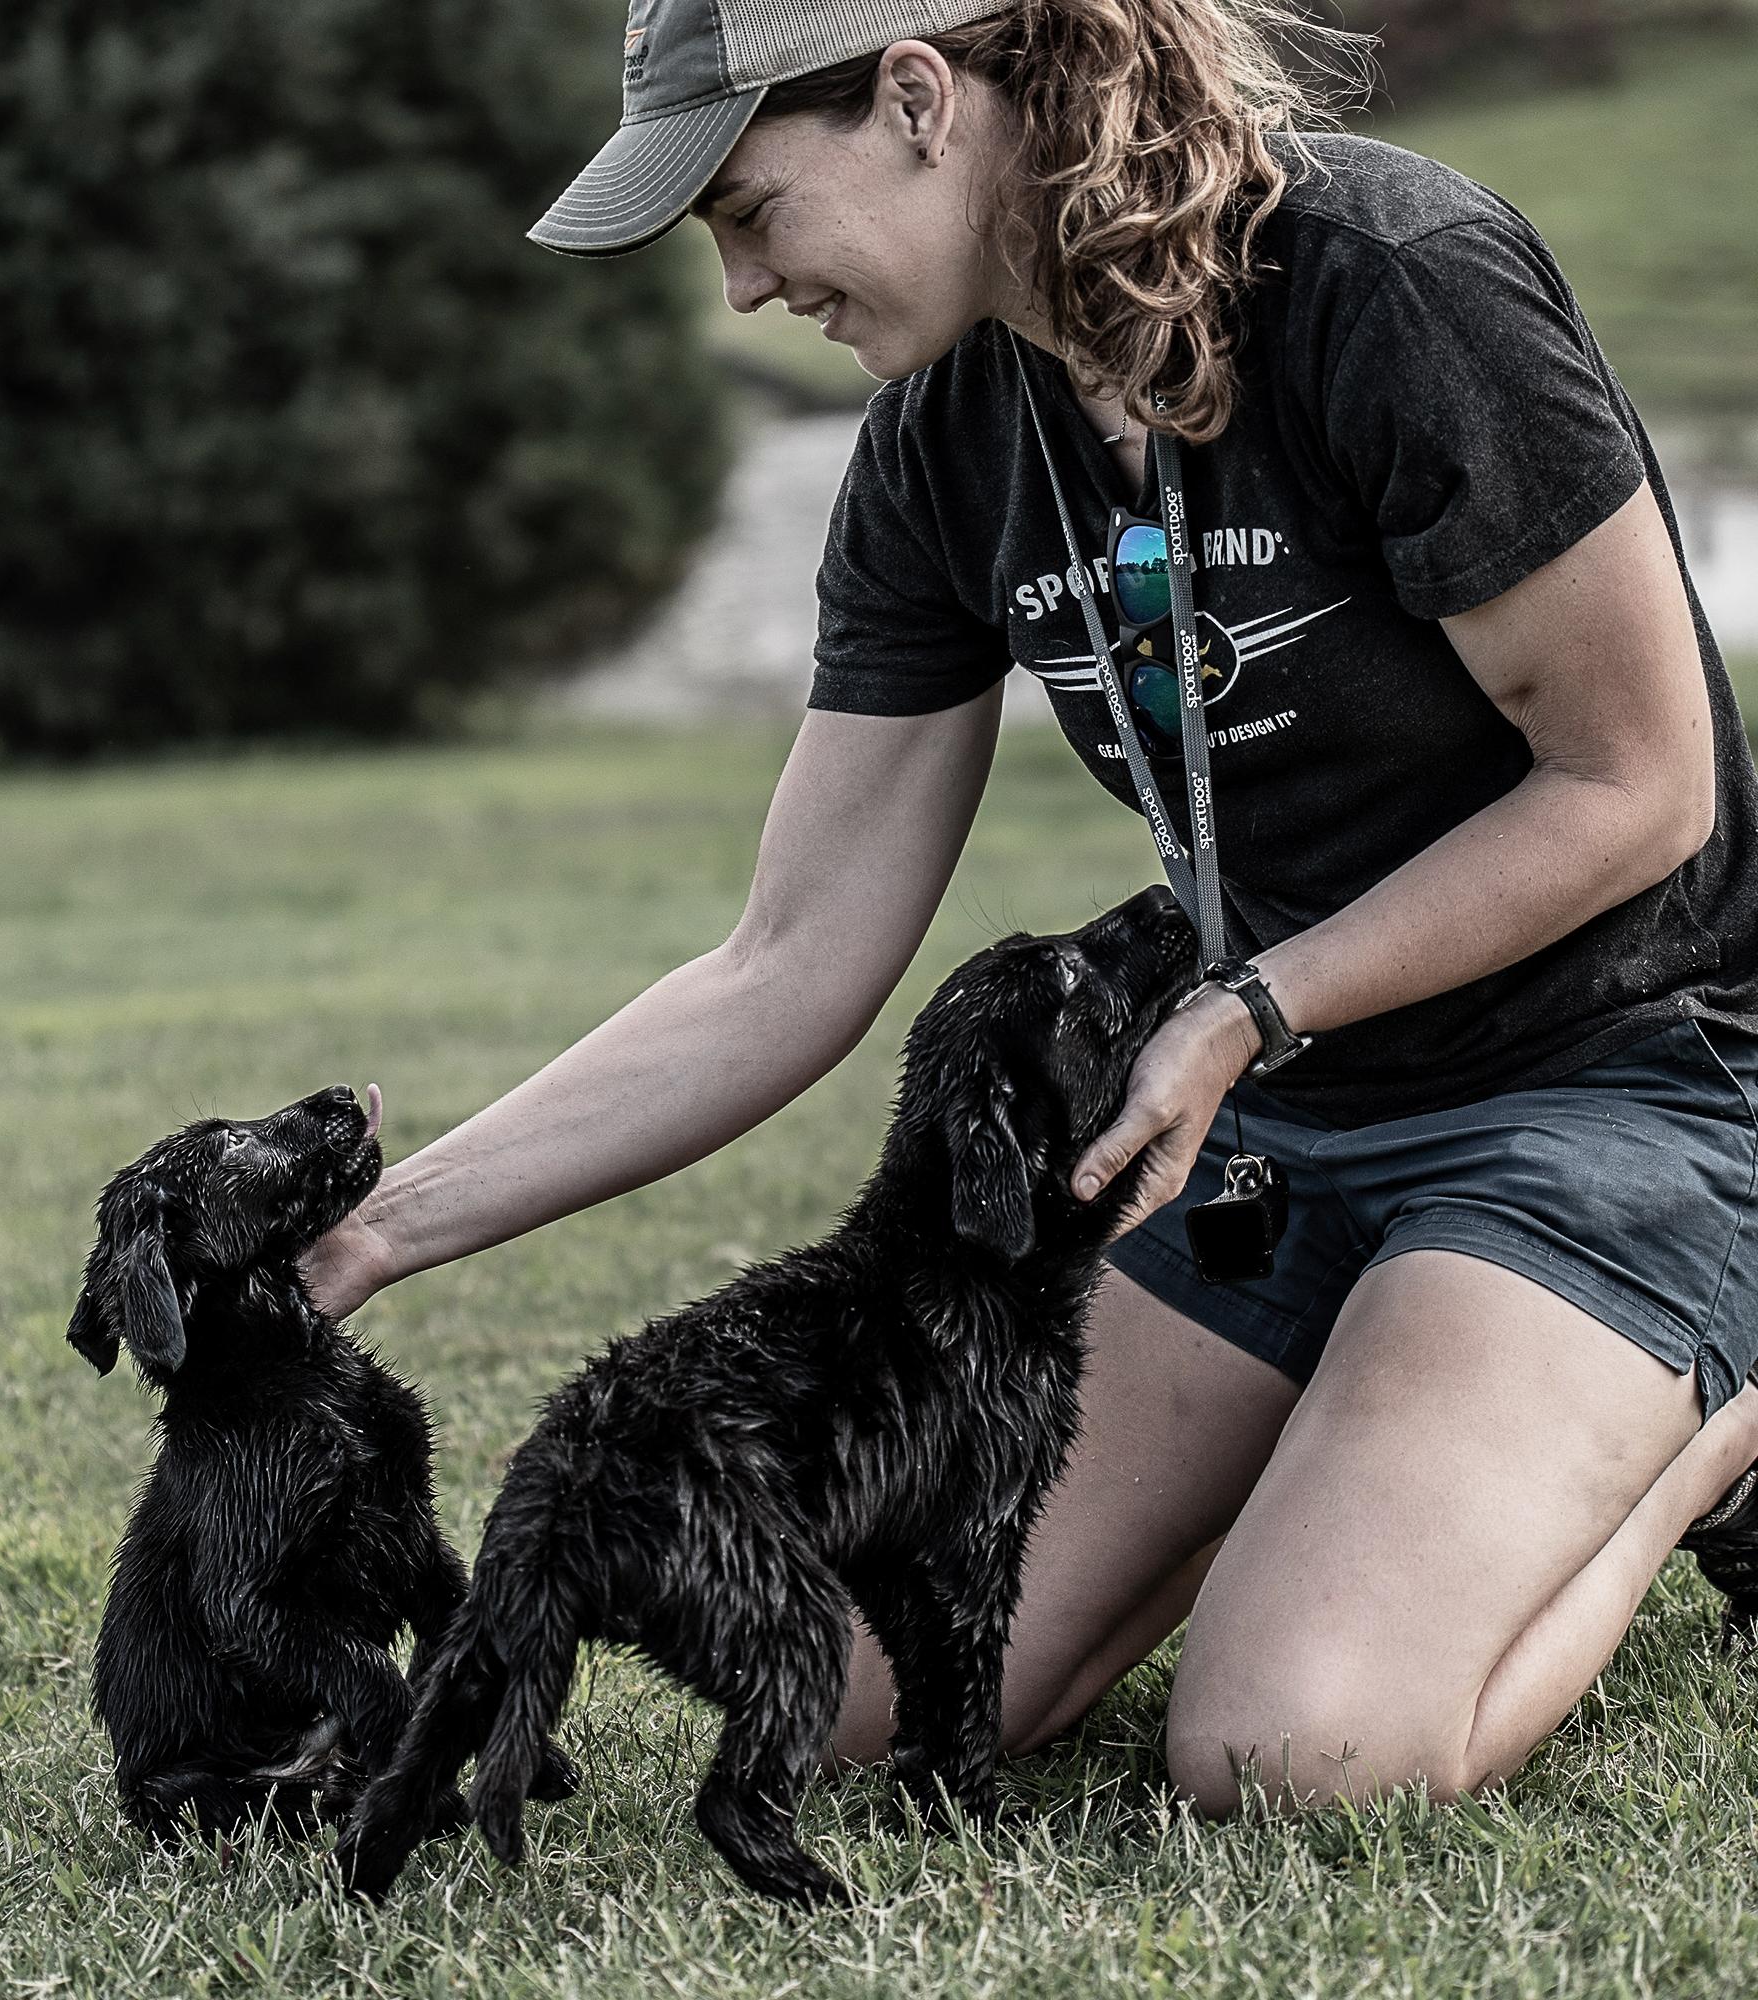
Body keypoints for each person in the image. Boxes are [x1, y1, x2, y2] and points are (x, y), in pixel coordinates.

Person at [305, 0, 1758, 1815]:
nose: (746, 288)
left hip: (1616, 1087)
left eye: (749, 209)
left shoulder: (1388, 279)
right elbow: (787, 960)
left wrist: (1252, 1005)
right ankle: (1402, 1408)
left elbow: (1640, 784)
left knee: (1297, 1756)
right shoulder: (944, 441)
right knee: (843, 1692)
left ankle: (1717, 1428)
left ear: (919, 100)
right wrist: (382, 1231)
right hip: (1272, 1131)